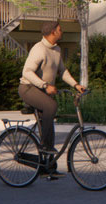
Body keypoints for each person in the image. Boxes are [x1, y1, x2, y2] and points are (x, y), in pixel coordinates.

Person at [19, 20, 85, 171]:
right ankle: (45, 146)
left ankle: (47, 165)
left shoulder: (56, 50)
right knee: (51, 106)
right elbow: (27, 72)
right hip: (28, 88)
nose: (62, 32)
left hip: (41, 91)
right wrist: (45, 85)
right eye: (60, 29)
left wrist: (75, 85)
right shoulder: (39, 49)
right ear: (53, 32)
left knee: (49, 121)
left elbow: (62, 71)